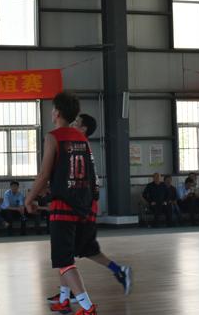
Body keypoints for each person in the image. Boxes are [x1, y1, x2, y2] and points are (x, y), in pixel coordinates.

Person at [44, 113, 132, 306]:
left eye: (76, 122)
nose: (73, 124)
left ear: (83, 129)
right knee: (69, 252)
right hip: (81, 203)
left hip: (83, 205)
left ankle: (74, 296)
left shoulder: (78, 145)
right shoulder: (78, 144)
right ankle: (66, 294)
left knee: (70, 252)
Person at [23, 92, 99, 315]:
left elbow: (44, 174)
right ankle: (64, 300)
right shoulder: (82, 138)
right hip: (83, 207)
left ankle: (88, 308)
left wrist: (29, 199)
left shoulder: (53, 136)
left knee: (64, 261)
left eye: (53, 108)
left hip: (63, 208)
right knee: (65, 258)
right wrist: (53, 186)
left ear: (57, 113)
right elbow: (78, 175)